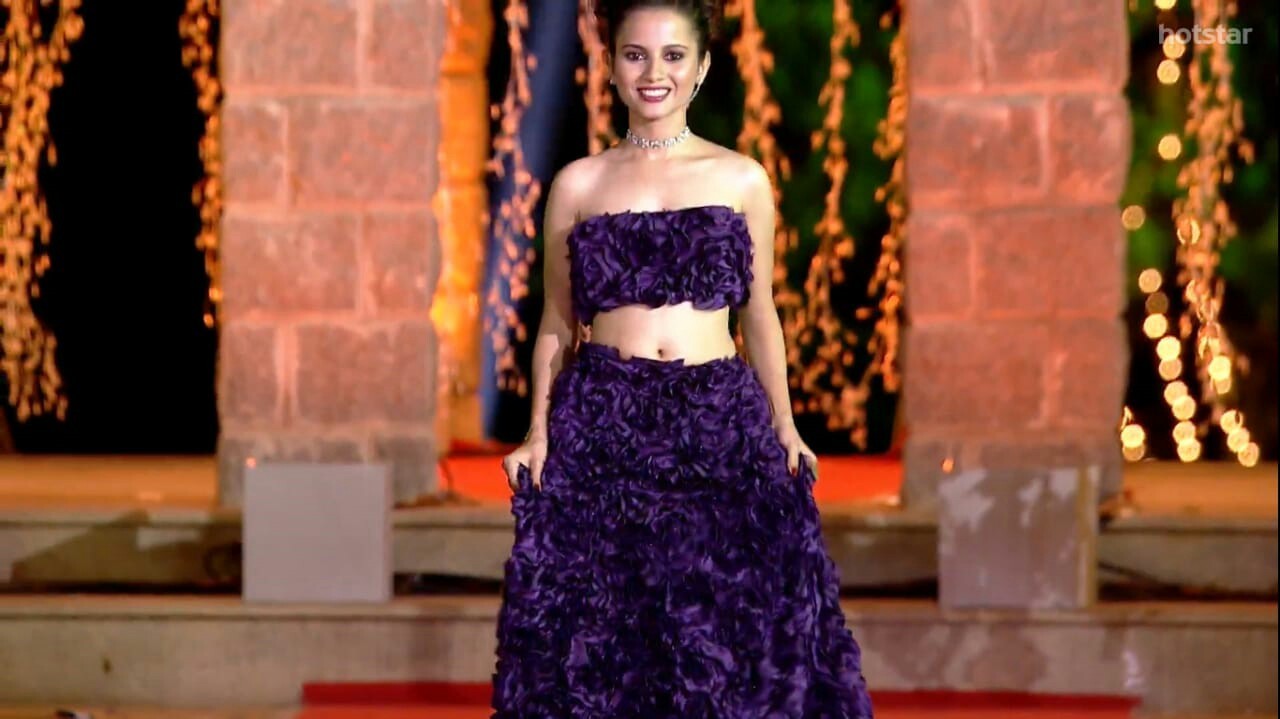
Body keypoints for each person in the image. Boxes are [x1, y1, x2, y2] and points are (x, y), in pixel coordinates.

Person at [492, 0, 874, 716]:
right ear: (612, 66)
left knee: (728, 629)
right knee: (608, 636)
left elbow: (759, 314)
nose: (654, 73)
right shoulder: (577, 184)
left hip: (717, 424)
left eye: (673, 56)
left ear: (700, 69)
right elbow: (555, 323)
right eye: (636, 55)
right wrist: (537, 432)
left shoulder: (742, 180)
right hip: (605, 424)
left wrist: (785, 426)